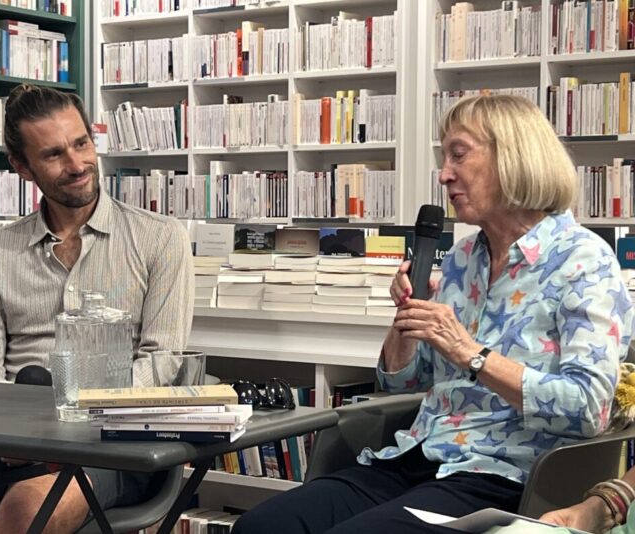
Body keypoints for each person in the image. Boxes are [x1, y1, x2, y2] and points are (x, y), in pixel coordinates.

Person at [232, 94, 635, 534]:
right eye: (444, 158)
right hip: (416, 456)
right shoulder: (463, 259)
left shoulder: (583, 261)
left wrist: (472, 354)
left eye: (458, 154)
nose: (444, 174)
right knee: (261, 526)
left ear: (513, 157)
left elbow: (588, 407)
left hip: (503, 477)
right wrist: (404, 324)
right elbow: (404, 383)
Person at [0, 84, 194, 534]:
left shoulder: (161, 238)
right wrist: (14, 436)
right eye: (54, 155)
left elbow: (162, 359)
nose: (77, 165)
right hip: (0, 435)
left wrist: (73, 422)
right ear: (22, 167)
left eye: (81, 144)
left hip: (108, 439)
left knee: (29, 507)